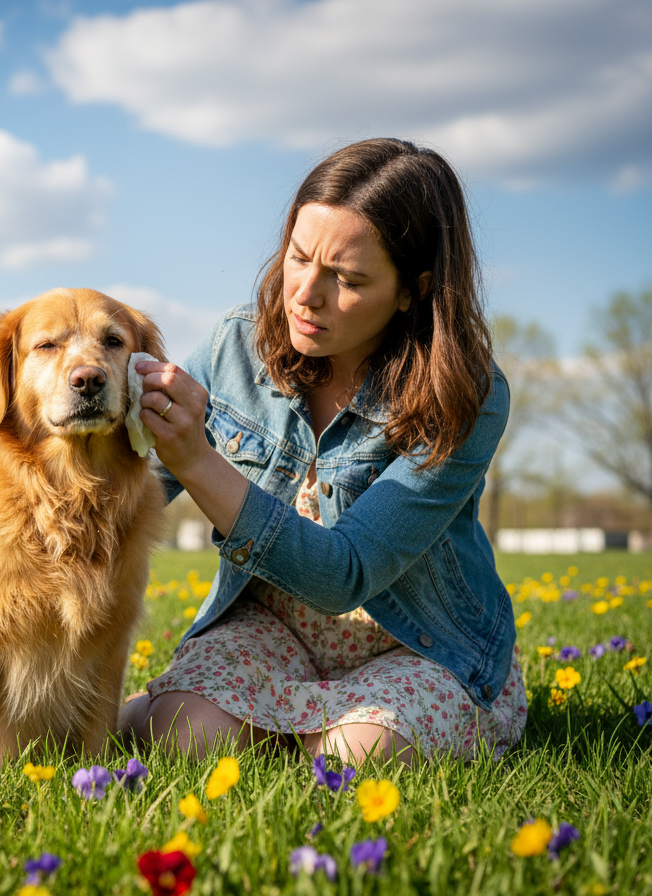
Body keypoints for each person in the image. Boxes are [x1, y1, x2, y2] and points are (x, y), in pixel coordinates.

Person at [120, 137, 527, 765]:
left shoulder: (465, 394)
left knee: (353, 755)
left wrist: (196, 458)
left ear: (413, 290)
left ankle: (292, 734)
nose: (305, 294)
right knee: (183, 735)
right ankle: (238, 721)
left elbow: (348, 575)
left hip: (418, 644)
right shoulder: (235, 346)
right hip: (270, 630)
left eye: (348, 279)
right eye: (299, 257)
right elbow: (126, 481)